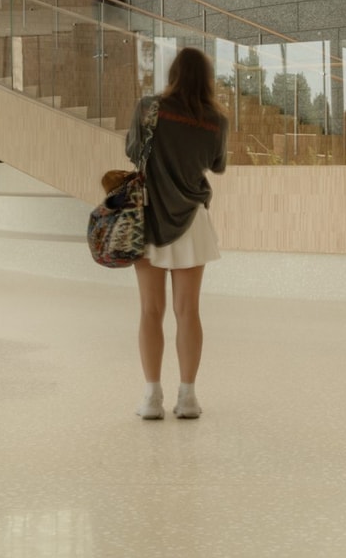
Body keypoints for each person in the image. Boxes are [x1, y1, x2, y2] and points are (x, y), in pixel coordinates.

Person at [127, 47, 229, 421]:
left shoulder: (148, 108)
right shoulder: (216, 120)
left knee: (150, 311)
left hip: (150, 218)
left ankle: (151, 398)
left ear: (172, 73)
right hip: (192, 223)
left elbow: (133, 151)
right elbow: (217, 165)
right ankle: (188, 397)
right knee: (188, 312)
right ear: (207, 79)